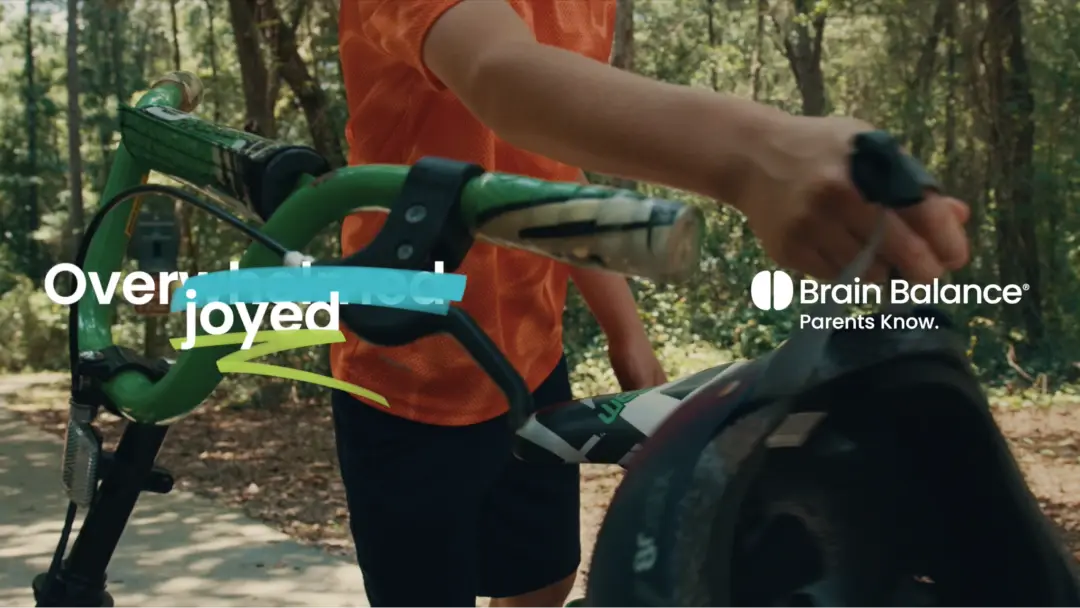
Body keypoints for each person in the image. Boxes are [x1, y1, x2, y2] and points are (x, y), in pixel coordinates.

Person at [331, 2, 971, 608]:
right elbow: (500, 77)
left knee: (542, 580)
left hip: (526, 364)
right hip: (404, 370)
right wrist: (755, 155)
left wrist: (626, 334)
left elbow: (545, 164)